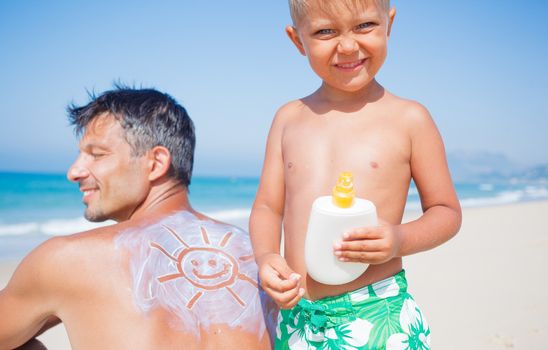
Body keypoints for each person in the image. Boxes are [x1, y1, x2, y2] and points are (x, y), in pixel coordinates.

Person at [249, 0, 462, 348]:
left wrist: (398, 239)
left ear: (388, 24)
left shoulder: (410, 119)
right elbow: (268, 208)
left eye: (364, 26)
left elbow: (446, 211)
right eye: (324, 31)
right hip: (297, 316)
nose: (347, 46)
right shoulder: (288, 119)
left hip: (378, 311)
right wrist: (267, 257)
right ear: (297, 40)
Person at [0, 87, 274, 350]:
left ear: (155, 163)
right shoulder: (258, 253)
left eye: (96, 154)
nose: (74, 171)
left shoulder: (68, 259)